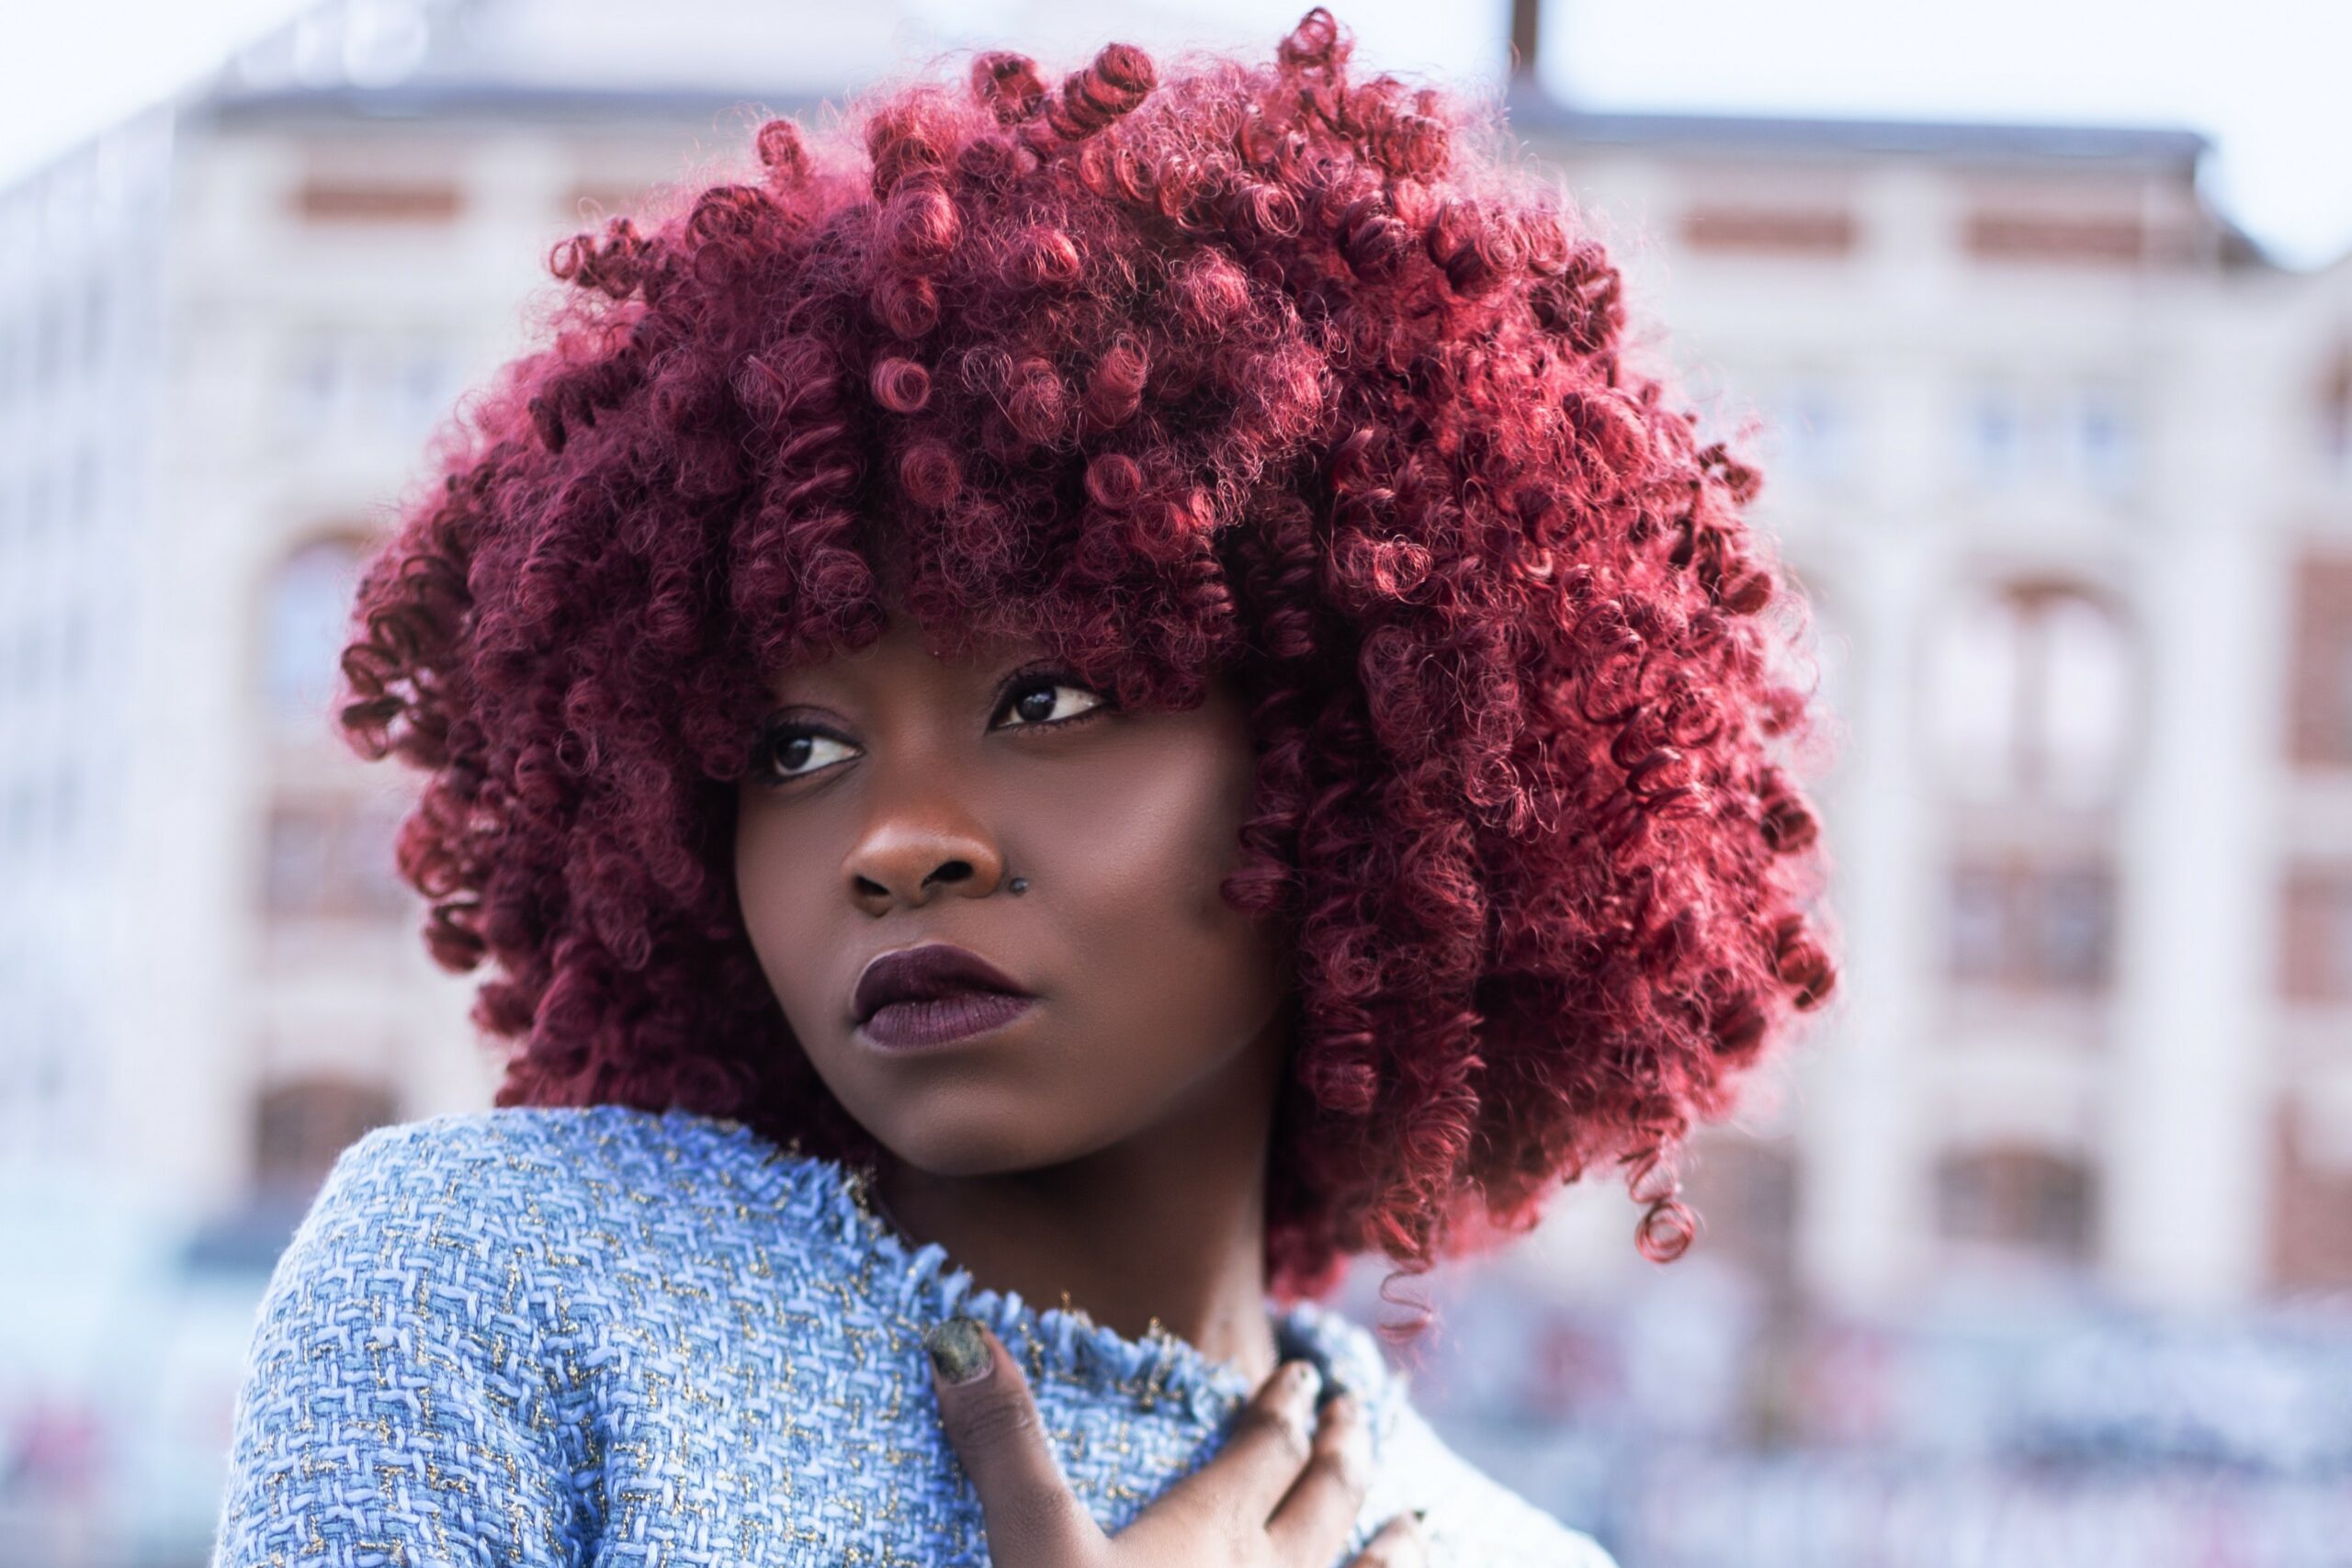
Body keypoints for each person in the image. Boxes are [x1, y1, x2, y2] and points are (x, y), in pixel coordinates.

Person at [209, 9, 1838, 1565]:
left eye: (1047, 699)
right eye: (799, 751)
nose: (899, 843)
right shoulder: (493, 1294)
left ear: (1372, 765)